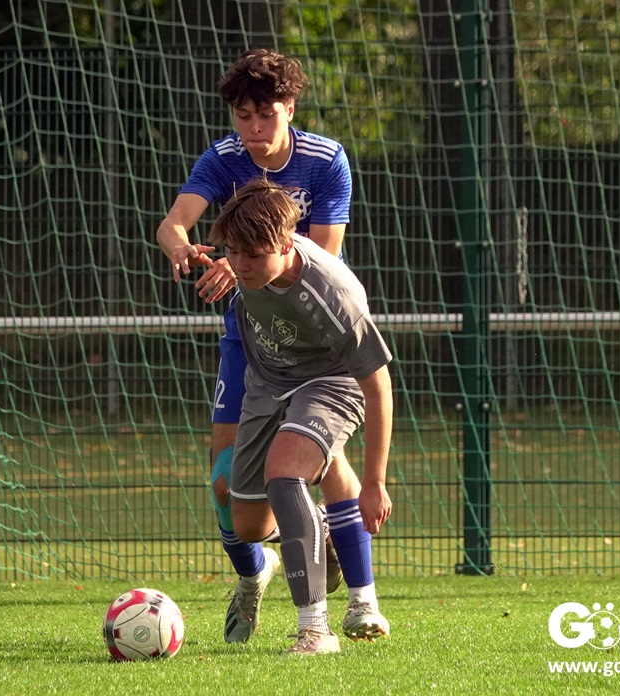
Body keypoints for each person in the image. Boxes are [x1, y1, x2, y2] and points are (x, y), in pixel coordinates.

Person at [156, 49, 386, 644]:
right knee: (226, 484)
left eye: (266, 115)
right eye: (243, 117)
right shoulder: (223, 157)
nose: (254, 129)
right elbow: (174, 222)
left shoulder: (325, 160)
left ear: (290, 108)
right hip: (252, 337)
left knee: (317, 463)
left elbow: (323, 252)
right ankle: (256, 570)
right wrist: (182, 246)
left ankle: (360, 601)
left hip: (314, 335)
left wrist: (245, 264)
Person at [206, 177, 393, 654]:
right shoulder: (247, 266)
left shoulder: (334, 294)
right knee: (247, 524)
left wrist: (375, 482)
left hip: (331, 382)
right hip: (266, 382)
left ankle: (315, 630)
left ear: (287, 243)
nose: (240, 265)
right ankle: (317, 524)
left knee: (285, 475)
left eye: (252, 255)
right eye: (233, 253)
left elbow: (378, 386)